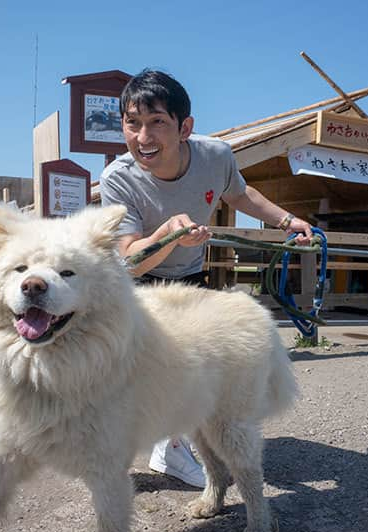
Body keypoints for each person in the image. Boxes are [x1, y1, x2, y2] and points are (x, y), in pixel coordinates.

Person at [99, 68, 313, 488]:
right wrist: (168, 235)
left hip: (190, 276)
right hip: (140, 284)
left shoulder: (216, 156)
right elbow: (128, 260)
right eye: (132, 123)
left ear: (185, 127)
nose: (143, 137)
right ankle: (116, 456)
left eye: (157, 122)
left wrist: (287, 219)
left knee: (187, 370)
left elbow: (239, 194)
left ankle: (171, 448)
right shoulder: (117, 179)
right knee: (126, 374)